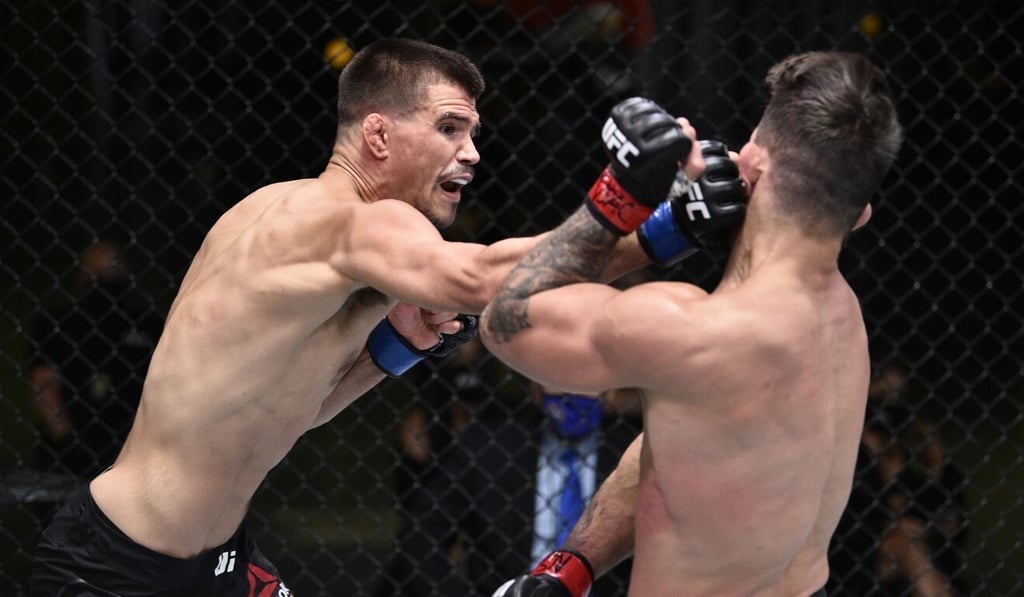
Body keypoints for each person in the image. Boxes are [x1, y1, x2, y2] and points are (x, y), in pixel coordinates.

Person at [30, 38, 653, 596]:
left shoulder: (293, 218)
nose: (471, 154)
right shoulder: (353, 220)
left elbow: (292, 411)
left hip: (218, 562)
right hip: (115, 568)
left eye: (472, 134)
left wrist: (398, 351)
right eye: (449, 128)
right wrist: (645, 217)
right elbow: (485, 278)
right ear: (378, 135)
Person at [480, 50, 903, 596]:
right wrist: (573, 565)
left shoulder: (689, 329)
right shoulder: (843, 322)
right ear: (860, 211)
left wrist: (621, 196)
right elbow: (681, 454)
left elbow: (504, 321)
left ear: (750, 168)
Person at [386, 381, 642, 597]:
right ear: (535, 384)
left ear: (610, 389)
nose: (569, 392)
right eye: (559, 379)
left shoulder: (634, 452)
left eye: (582, 382)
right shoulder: (491, 444)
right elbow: (423, 532)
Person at [27, 240, 162, 482]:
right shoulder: (58, 324)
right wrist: (67, 441)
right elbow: (44, 383)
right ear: (82, 276)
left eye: (114, 272)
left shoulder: (148, 326)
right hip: (70, 450)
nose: (108, 281)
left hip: (134, 448)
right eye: (99, 274)